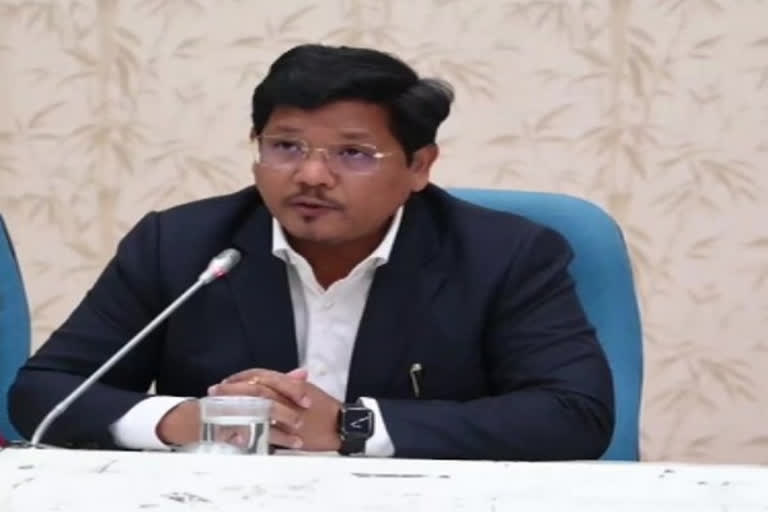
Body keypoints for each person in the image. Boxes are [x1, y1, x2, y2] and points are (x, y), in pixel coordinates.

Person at [9, 44, 614, 460]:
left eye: (353, 153)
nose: (311, 175)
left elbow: (573, 415)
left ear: (419, 165)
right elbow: (45, 392)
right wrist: (185, 420)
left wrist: (353, 427)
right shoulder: (182, 245)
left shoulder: (505, 254)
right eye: (286, 146)